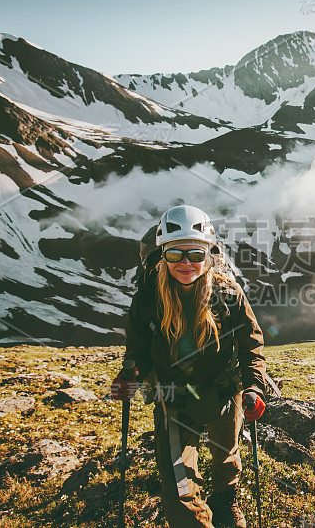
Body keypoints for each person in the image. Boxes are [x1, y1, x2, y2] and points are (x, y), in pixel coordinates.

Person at [111, 205, 266, 528]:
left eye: (195, 255)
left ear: (209, 255)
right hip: (174, 401)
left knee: (226, 457)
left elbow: (251, 343)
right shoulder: (148, 298)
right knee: (179, 487)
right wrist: (131, 375)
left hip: (224, 393)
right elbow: (137, 350)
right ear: (162, 254)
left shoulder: (227, 294)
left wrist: (253, 385)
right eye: (175, 255)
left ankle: (225, 500)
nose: (185, 264)